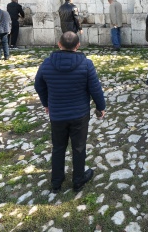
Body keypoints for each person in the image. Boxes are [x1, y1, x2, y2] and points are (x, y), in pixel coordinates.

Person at [34, 31, 106, 193]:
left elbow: (39, 86)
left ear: (59, 44)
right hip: (79, 115)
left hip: (57, 114)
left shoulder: (47, 64)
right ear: (78, 46)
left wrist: (46, 103)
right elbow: (96, 89)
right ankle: (78, 180)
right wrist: (101, 107)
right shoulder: (86, 64)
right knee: (79, 147)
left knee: (58, 147)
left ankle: (56, 182)